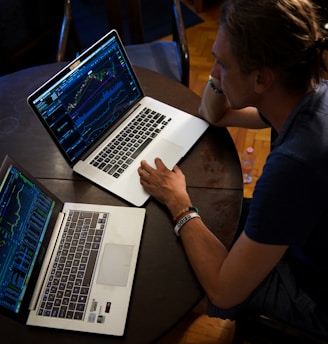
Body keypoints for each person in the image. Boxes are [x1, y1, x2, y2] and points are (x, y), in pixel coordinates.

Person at [137, 0, 328, 337]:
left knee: (171, 283)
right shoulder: (309, 93)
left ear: (261, 78)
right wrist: (221, 74)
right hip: (307, 237)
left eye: (222, 64)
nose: (212, 72)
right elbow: (215, 115)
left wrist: (179, 203)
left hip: (313, 296)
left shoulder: (293, 165)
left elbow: (225, 291)